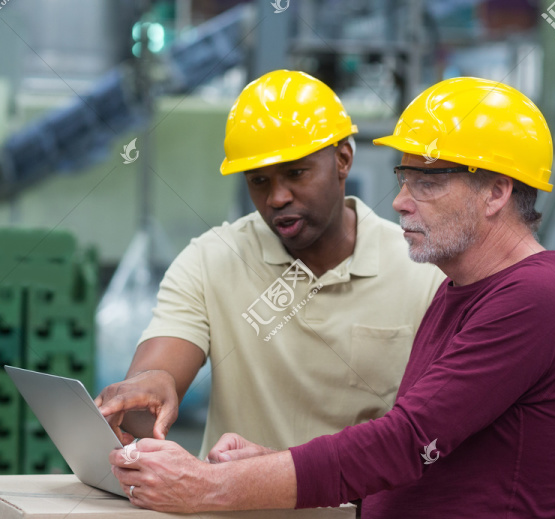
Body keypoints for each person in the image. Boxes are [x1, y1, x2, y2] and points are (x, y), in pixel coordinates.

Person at [107, 77, 555, 519]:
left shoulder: (537, 298)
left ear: (496, 191)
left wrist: (206, 487)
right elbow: (425, 466)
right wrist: (267, 465)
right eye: (403, 179)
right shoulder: (459, 291)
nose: (402, 202)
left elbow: (405, 443)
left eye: (427, 182)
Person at [96, 70, 445, 456]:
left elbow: (429, 432)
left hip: (358, 515)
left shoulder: (421, 270)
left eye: (296, 173)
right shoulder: (211, 260)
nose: (277, 198)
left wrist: (284, 475)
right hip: (229, 511)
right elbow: (159, 371)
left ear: (343, 159)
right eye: (258, 181)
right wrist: (146, 389)